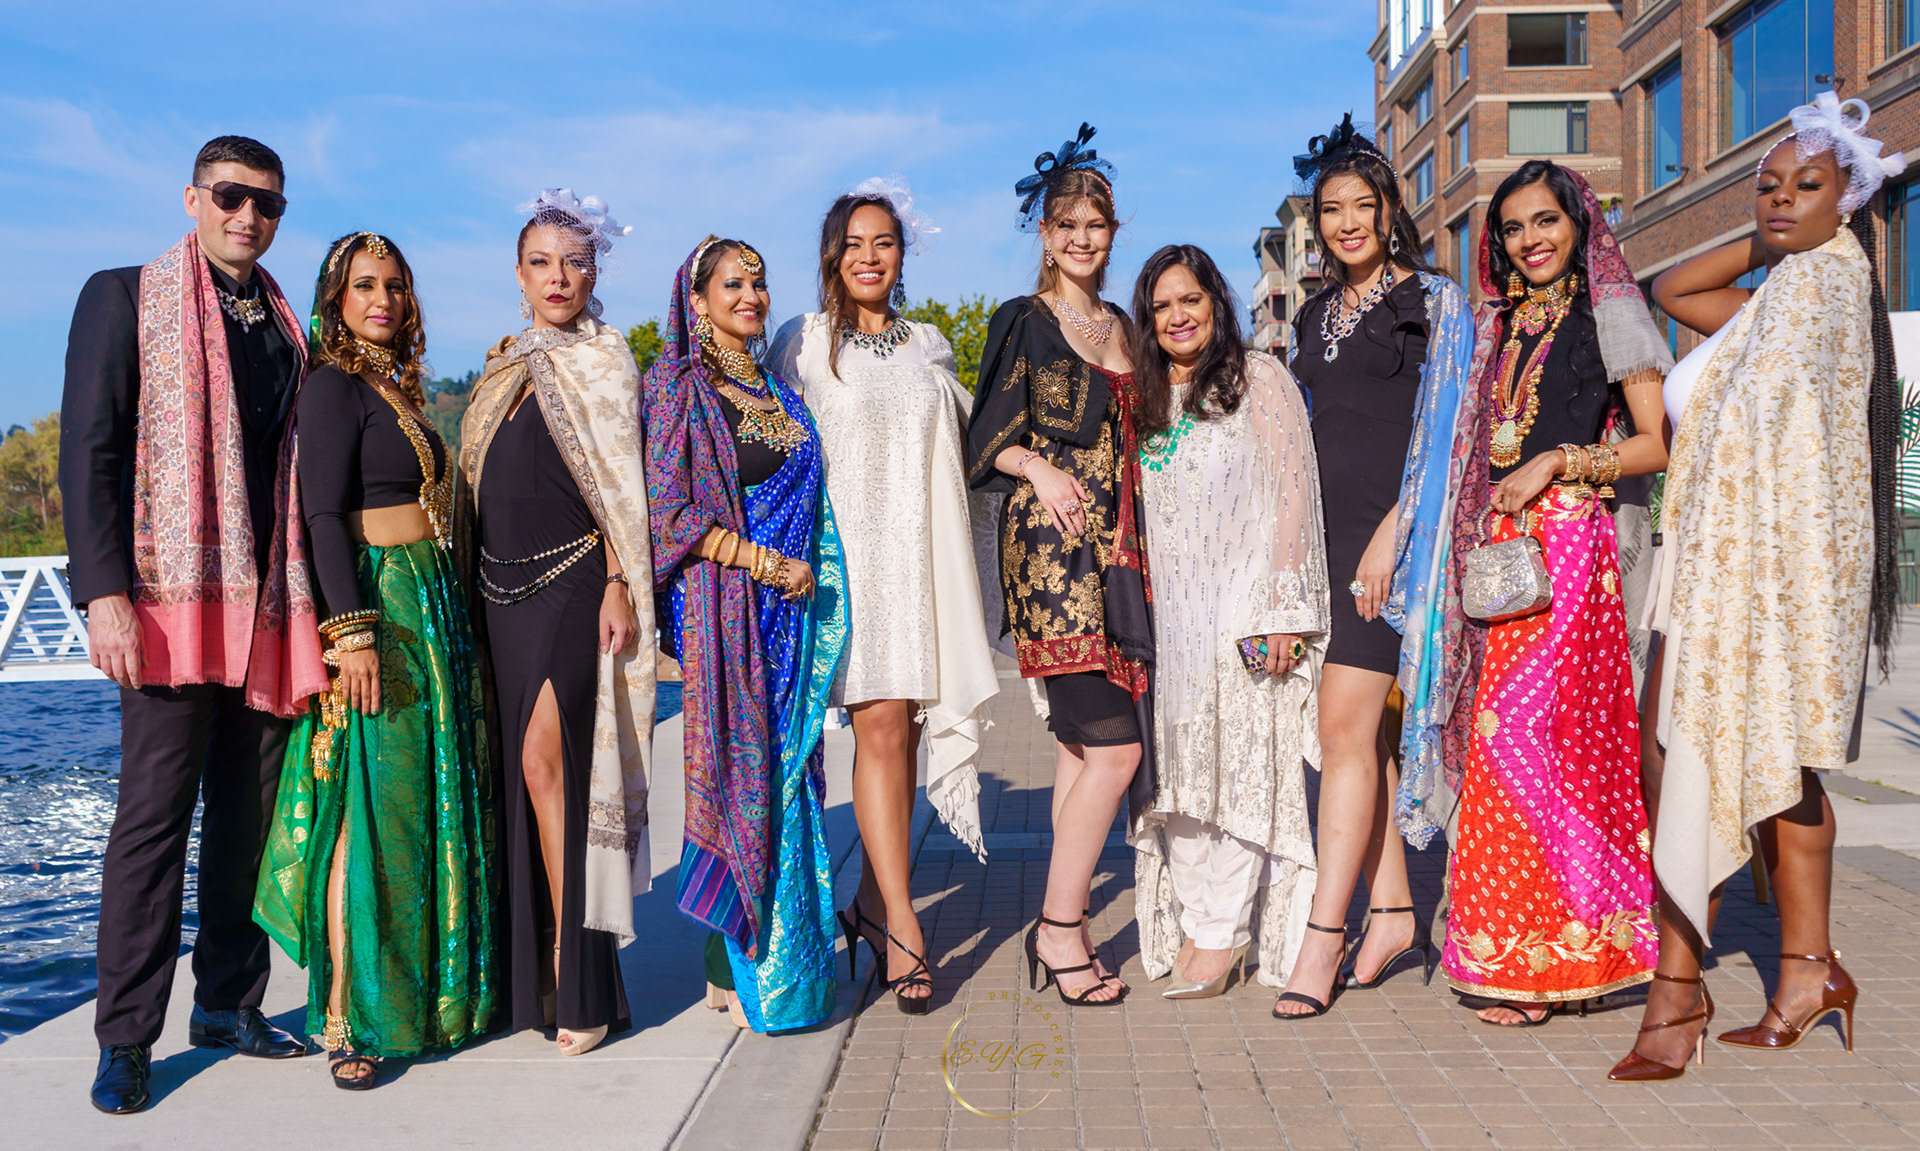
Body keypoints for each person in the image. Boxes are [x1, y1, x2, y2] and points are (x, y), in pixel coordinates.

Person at [1613, 93, 1905, 1082]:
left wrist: (1804, 232)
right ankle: (1807, 970)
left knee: (1728, 757)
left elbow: (1784, 446)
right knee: (1732, 758)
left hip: (1773, 574)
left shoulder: (1825, 294)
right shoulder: (1776, 301)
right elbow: (1672, 284)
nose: (1779, 199)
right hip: (1718, 569)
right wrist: (1777, 230)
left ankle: (1685, 985)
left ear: (1850, 203)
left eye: (1806, 186)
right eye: (1766, 186)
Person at [61, 136, 324, 1114]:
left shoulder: (286, 324)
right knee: (153, 821)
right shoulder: (123, 296)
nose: (248, 215)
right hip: (169, 602)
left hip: (268, 605)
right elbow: (90, 449)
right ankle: (127, 1037)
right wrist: (104, 592)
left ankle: (227, 1004)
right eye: (231, 195)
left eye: (268, 203)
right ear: (192, 198)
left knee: (247, 819)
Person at [252, 232, 498, 1088]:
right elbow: (321, 513)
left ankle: (423, 999)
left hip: (429, 607)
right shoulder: (331, 386)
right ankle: (344, 1016)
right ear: (336, 298)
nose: (382, 299)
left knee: (420, 804)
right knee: (366, 807)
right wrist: (349, 630)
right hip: (381, 606)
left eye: (394, 285)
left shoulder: (395, 387)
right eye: (364, 286)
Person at [1436, 163, 1672, 1026]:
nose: (1530, 239)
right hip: (1501, 550)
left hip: (1571, 547)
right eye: (1513, 227)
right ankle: (1523, 951)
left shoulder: (1610, 313)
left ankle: (1558, 959)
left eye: (1546, 221)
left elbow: (1656, 444)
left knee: (1544, 740)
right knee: (1500, 739)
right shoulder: (1495, 325)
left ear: (1579, 224)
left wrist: (1559, 462)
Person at [769, 180, 997, 1013]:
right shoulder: (801, 342)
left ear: (903, 254)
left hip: (918, 559)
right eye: (854, 243)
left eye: (885, 242)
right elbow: (766, 442)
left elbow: (968, 443)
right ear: (833, 255)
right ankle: (903, 926)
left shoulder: (929, 343)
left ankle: (869, 901)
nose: (869, 256)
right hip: (846, 567)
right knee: (881, 729)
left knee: (903, 732)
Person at [1275, 115, 1478, 1019]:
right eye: (1332, 210)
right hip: (1325, 545)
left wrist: (1398, 529)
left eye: (1364, 205)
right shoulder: (1313, 313)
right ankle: (1393, 910)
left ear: (1392, 209)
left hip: (1397, 545)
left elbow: (1453, 426)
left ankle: (1325, 935)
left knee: (1344, 731)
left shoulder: (1435, 300)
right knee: (1366, 738)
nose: (1348, 222)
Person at [454, 190, 655, 1058]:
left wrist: (617, 579)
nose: (559, 277)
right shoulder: (502, 366)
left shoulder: (606, 360)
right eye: (542, 262)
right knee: (522, 774)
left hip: (575, 584)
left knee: (551, 763)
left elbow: (624, 489)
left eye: (575, 262)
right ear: (518, 274)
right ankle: (541, 974)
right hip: (498, 596)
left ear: (595, 272)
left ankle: (580, 976)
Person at [966, 123, 1150, 1007]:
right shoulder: (1023, 321)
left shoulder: (1125, 326)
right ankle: (1060, 927)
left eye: (1096, 225)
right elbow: (983, 441)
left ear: (1113, 233)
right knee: (1118, 750)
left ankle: (1062, 919)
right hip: (1052, 555)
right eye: (1067, 225)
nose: (1082, 238)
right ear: (1044, 234)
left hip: (1122, 557)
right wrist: (1036, 466)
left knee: (1082, 748)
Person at [645, 235, 847, 1033]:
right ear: (697, 300)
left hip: (791, 617)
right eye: (732, 283)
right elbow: (670, 516)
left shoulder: (779, 391)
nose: (751, 296)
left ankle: (779, 963)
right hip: (729, 615)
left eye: (759, 282)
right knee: (739, 782)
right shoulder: (678, 389)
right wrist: (763, 561)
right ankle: (739, 968)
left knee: (791, 782)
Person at [1127, 244, 1329, 999]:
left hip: (1248, 612)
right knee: (1179, 775)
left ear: (1217, 301)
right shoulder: (1145, 398)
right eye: (1162, 306)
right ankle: (1198, 920)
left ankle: (1225, 932)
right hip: (1169, 626)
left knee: (1245, 769)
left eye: (1191, 299)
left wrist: (1284, 611)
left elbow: (1294, 497)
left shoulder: (1260, 379)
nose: (1178, 316)